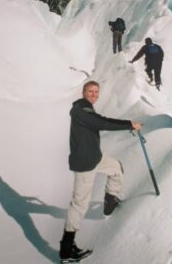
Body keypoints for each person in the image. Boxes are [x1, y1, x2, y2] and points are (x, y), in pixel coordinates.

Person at [59, 80, 142, 262]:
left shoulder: (86, 107)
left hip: (95, 157)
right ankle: (67, 250)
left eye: (96, 91)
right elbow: (103, 123)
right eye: (90, 91)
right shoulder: (82, 110)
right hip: (84, 164)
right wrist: (130, 124)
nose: (94, 94)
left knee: (116, 169)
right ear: (83, 92)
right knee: (79, 205)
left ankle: (110, 202)